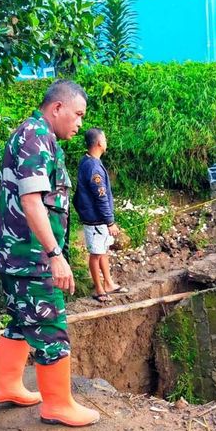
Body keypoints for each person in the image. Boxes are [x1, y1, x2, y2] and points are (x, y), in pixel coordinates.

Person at [0, 79, 99, 427]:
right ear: (57, 108)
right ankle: (58, 405)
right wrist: (55, 254)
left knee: (22, 321)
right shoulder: (36, 138)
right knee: (50, 326)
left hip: (17, 255)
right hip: (30, 257)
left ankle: (6, 386)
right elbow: (31, 201)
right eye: (77, 114)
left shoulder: (37, 135)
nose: (80, 123)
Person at [73, 128, 128, 303]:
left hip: (97, 219)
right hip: (96, 220)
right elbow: (101, 196)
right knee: (96, 254)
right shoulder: (93, 167)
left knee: (103, 250)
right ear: (99, 143)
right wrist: (110, 221)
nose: (106, 142)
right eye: (105, 139)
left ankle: (109, 283)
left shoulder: (89, 161)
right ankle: (99, 289)